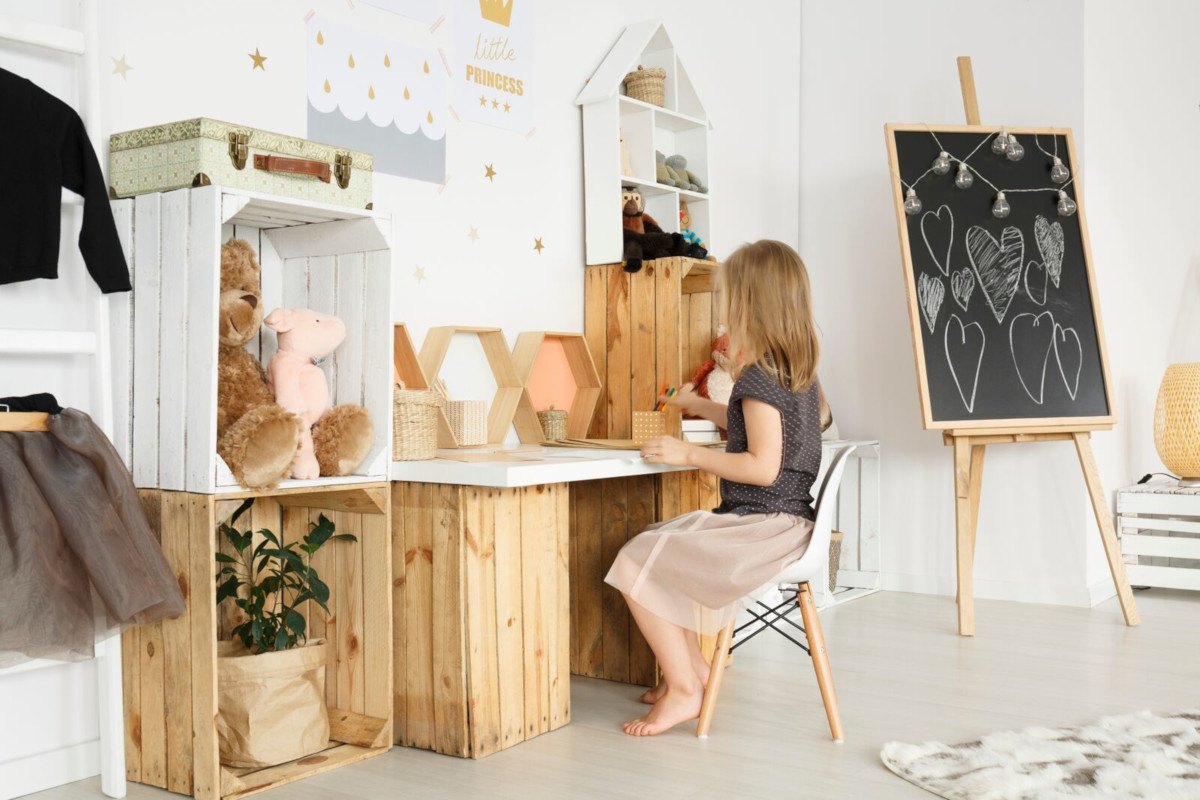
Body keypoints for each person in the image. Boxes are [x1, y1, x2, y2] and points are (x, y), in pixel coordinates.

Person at [605, 239, 827, 736]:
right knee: (658, 543)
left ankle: (686, 688)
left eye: (730, 298)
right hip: (786, 524)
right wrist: (700, 406)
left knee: (636, 559)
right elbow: (766, 426)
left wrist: (688, 454)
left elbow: (763, 467)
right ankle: (692, 672)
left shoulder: (758, 379)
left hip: (765, 528)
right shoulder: (794, 373)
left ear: (750, 304)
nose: (725, 311)